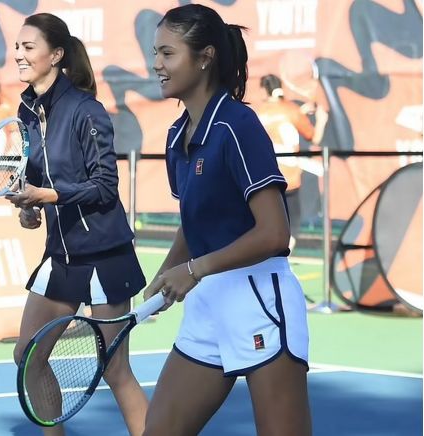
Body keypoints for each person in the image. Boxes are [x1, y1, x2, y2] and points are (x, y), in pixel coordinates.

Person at [143, 4, 311, 436]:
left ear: (205, 57)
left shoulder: (238, 124)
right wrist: (165, 273)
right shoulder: (176, 137)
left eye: (167, 53)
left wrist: (193, 270)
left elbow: (274, 233)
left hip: (259, 298)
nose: (156, 64)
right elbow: (193, 222)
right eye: (156, 53)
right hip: (207, 301)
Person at [5, 13, 147, 436]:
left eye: (29, 47)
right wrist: (30, 209)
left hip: (105, 255)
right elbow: (39, 177)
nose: (19, 55)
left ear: (56, 55)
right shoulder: (26, 111)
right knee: (27, 357)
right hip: (61, 256)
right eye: (17, 47)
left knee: (115, 369)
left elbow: (104, 187)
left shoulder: (87, 111)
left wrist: (48, 196)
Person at [257, 74, 328, 251]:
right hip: (289, 178)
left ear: (265, 90)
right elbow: (314, 137)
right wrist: (321, 120)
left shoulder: (258, 113)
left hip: (265, 176)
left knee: (268, 222)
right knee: (291, 223)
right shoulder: (291, 110)